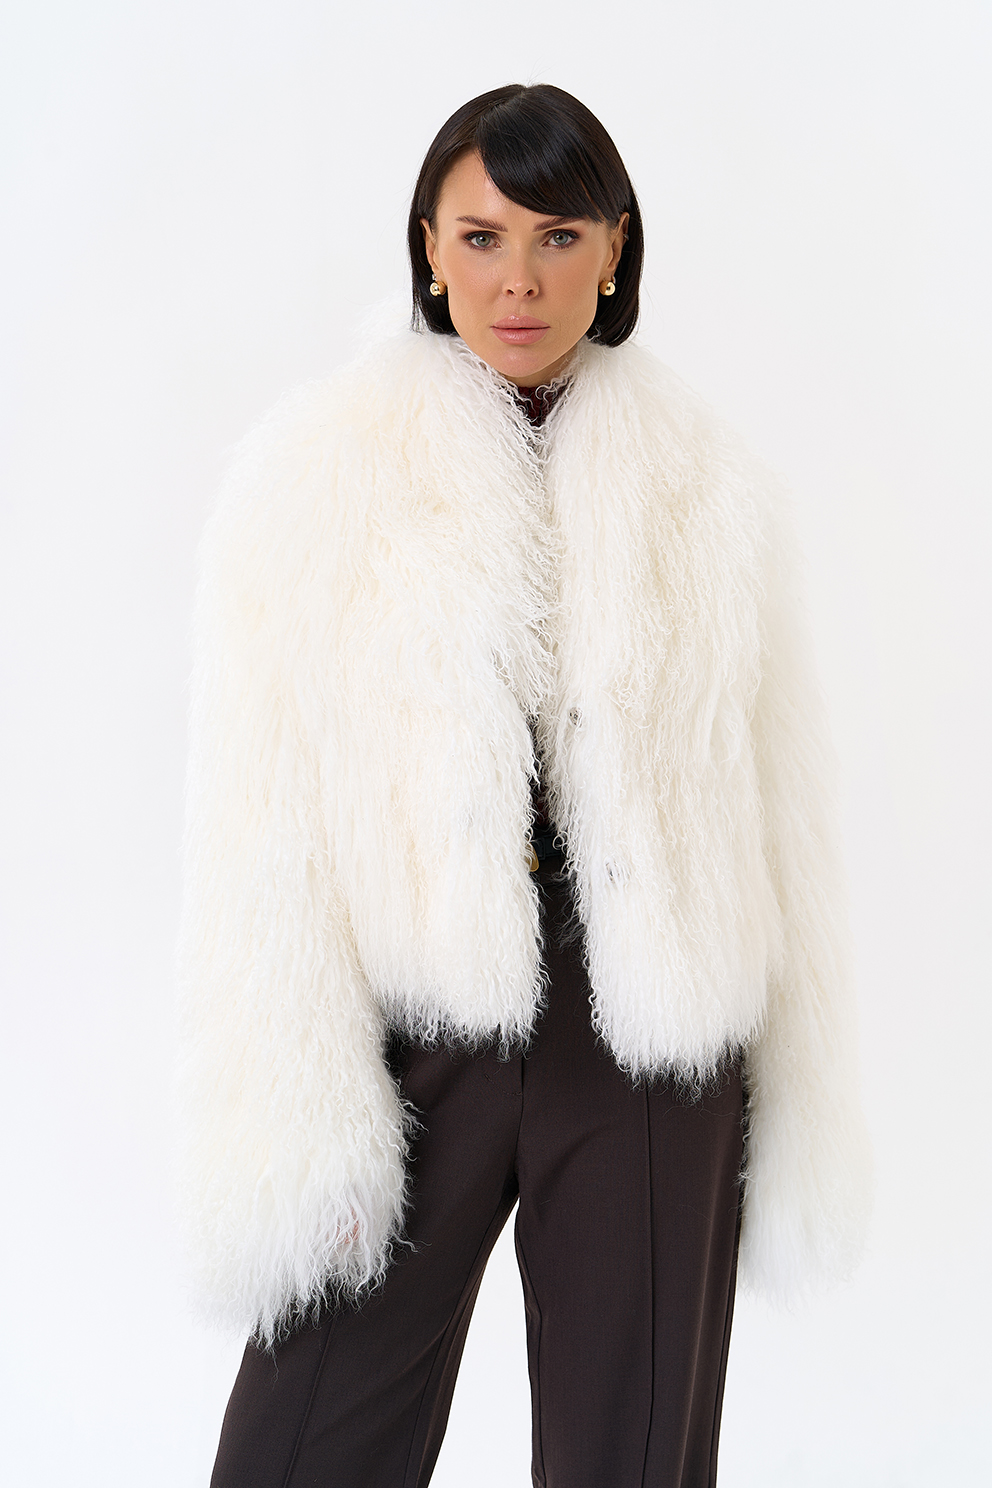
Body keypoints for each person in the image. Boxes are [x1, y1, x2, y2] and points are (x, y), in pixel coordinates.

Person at [178, 84, 871, 1488]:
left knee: (635, 1455)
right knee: (302, 1442)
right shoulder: (318, 479)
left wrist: (799, 1085)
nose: (520, 280)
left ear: (615, 251)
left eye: (559, 237)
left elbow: (781, 813)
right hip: (413, 1027)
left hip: (649, 1030)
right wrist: (296, 1109)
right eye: (482, 236)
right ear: (429, 249)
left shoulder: (709, 489)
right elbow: (260, 831)